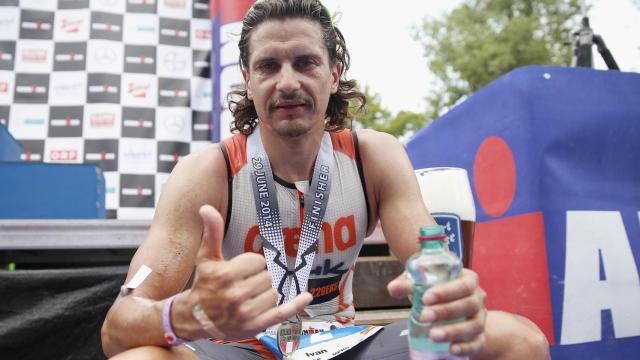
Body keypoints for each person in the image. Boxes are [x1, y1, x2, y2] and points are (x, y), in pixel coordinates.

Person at [101, 1, 549, 359]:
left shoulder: (372, 156)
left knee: (518, 340)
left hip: (341, 342)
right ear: (247, 80)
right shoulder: (208, 171)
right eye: (269, 66)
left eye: (305, 62)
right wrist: (187, 312)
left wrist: (452, 293)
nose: (288, 82)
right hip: (235, 347)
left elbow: (435, 272)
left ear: (334, 74)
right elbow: (117, 327)